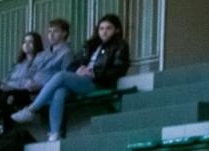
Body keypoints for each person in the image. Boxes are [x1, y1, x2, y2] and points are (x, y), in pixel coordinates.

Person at [11, 13, 130, 141]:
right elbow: (73, 64)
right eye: (101, 28)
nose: (104, 32)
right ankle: (54, 134)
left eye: (108, 28)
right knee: (59, 91)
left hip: (98, 82)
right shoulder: (91, 45)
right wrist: (78, 69)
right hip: (82, 79)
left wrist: (94, 73)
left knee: (61, 76)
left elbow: (119, 69)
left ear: (117, 30)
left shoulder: (120, 45)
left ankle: (31, 109)